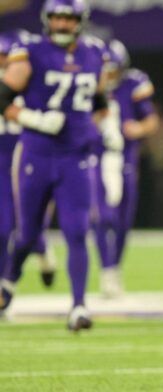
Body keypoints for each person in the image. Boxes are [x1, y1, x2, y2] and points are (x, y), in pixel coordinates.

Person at [0, 0, 110, 331]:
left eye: (69, 18)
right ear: (48, 20)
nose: (62, 24)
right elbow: (3, 97)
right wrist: (33, 117)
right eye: (58, 17)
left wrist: (97, 127)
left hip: (75, 156)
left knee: (78, 230)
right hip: (36, 153)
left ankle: (78, 306)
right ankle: (8, 281)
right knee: (28, 233)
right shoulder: (30, 50)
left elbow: (101, 103)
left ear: (80, 21)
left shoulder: (94, 54)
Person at [93, 38, 158, 298]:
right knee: (102, 216)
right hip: (96, 157)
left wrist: (138, 129)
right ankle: (107, 270)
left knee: (122, 220)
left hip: (126, 158)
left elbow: (151, 120)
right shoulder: (88, 85)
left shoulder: (133, 83)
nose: (109, 75)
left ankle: (114, 268)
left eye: (113, 69)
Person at [0, 30, 57, 291]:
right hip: (3, 163)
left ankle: (42, 249)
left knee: (28, 223)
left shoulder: (35, 84)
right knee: (4, 228)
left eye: (6, 56)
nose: (3, 62)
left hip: (27, 157)